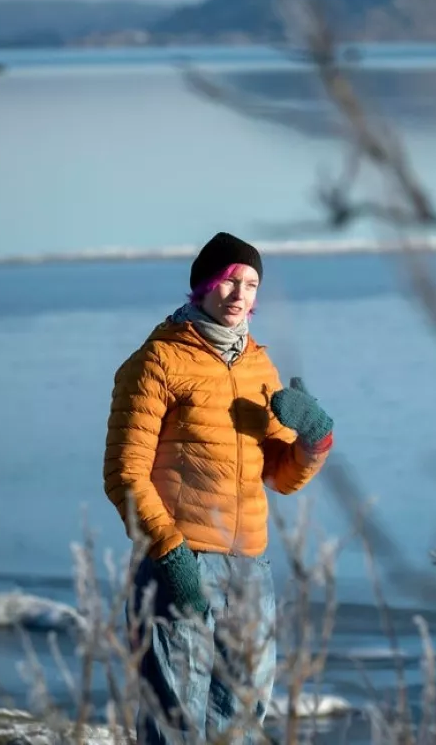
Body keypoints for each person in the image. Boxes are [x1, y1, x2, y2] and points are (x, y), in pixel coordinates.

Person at [102, 231, 335, 745]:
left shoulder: (259, 366)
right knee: (174, 723)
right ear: (203, 287)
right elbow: (125, 474)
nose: (239, 295)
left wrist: (315, 443)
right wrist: (170, 555)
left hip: (250, 569)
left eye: (251, 284)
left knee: (242, 722)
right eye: (229, 281)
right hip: (179, 561)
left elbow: (279, 474)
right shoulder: (157, 362)